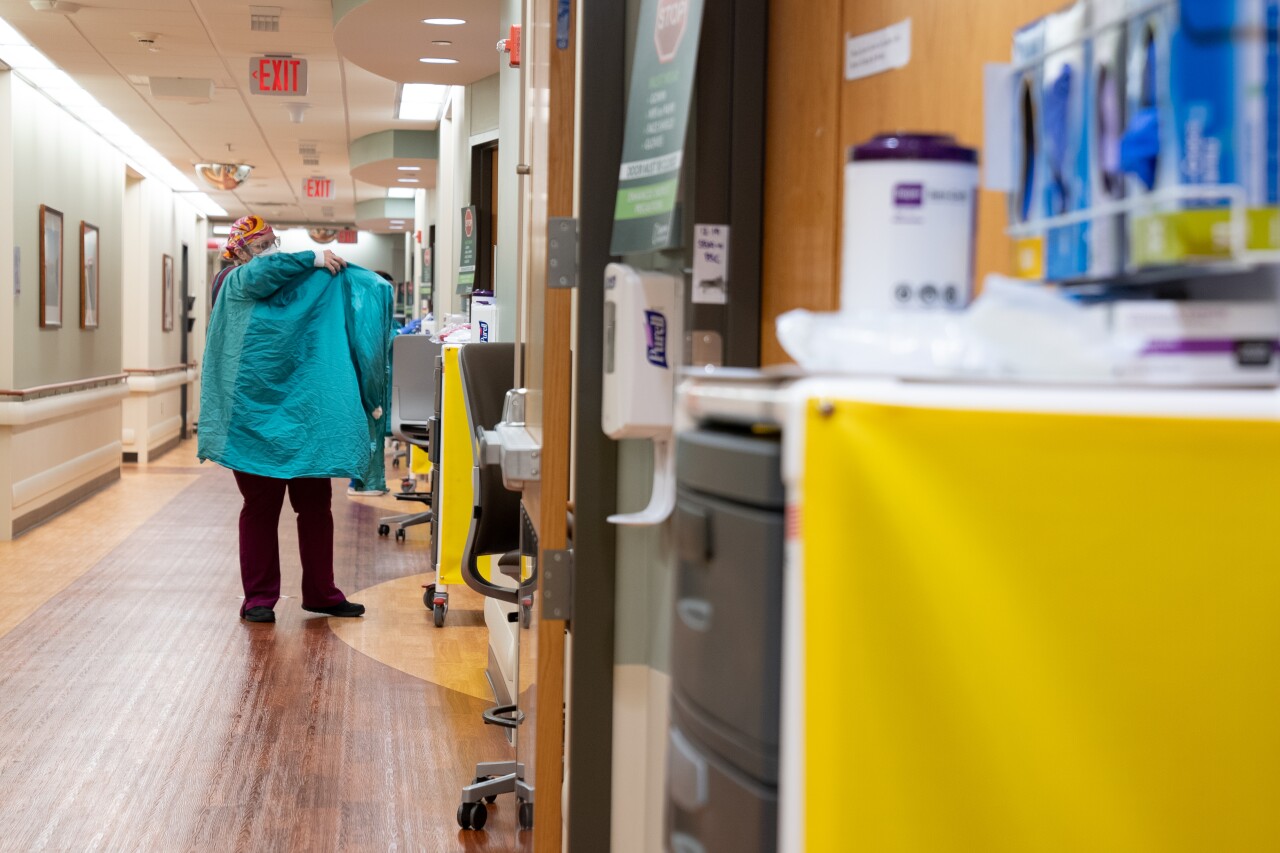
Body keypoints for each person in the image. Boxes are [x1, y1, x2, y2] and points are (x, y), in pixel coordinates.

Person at [199, 215, 393, 623]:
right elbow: (263, 273)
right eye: (261, 243)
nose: (271, 249)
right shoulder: (233, 282)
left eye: (273, 241)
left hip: (304, 420)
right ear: (239, 251)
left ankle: (321, 592)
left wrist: (326, 269)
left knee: (315, 508)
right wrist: (313, 257)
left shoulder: (302, 282)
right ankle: (258, 599)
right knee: (261, 509)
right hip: (252, 421)